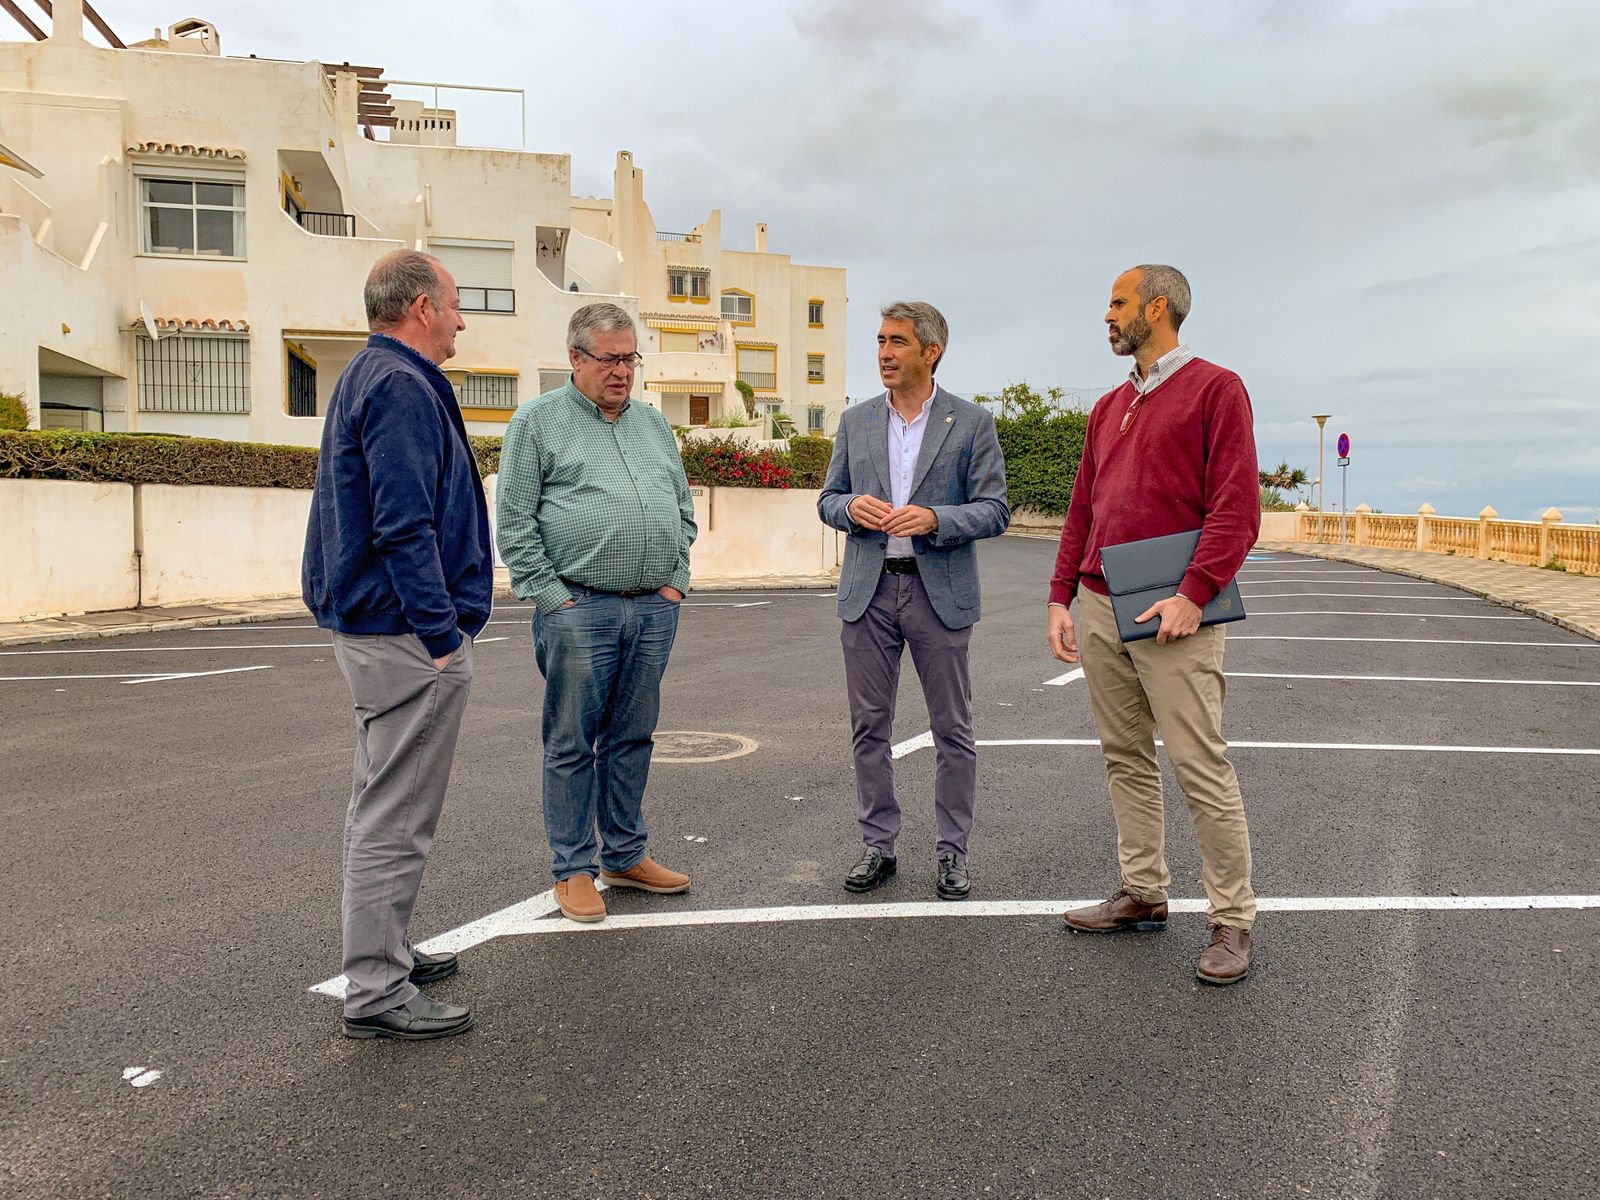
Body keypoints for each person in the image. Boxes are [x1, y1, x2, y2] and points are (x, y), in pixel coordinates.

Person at [1047, 265, 1261, 985]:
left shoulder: (1215, 388)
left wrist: (1195, 594)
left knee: (1200, 763)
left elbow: (1237, 509)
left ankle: (1233, 919)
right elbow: (1084, 507)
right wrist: (1061, 594)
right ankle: (1143, 892)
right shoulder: (1109, 406)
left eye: (1118, 303)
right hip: (1103, 602)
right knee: (1125, 756)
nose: (1106, 315)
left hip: (1176, 611)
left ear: (1158, 307)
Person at [303, 250, 492, 1039]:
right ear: (420, 307)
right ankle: (377, 989)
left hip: (381, 625)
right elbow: (402, 524)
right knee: (395, 813)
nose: (459, 319)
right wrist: (442, 636)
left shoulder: (370, 375)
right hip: (405, 634)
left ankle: (386, 954)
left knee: (381, 800)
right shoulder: (401, 386)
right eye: (452, 304)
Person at [497, 303, 697, 924]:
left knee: (633, 738)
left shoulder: (653, 425)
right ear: (577, 359)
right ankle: (573, 870)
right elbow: (515, 524)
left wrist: (676, 581)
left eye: (630, 358)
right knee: (571, 743)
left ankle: (625, 854)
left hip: (654, 608)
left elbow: (682, 508)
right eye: (609, 359)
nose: (622, 371)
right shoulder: (537, 423)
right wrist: (553, 598)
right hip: (579, 608)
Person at [819, 301, 1010, 900]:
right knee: (868, 726)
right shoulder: (856, 421)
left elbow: (995, 510)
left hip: (939, 593)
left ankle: (953, 853)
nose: (884, 352)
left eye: (898, 341)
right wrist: (848, 509)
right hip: (868, 590)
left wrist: (935, 518)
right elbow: (828, 498)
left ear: (932, 352)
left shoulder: (972, 423)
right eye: (880, 340)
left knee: (951, 728)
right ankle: (879, 846)